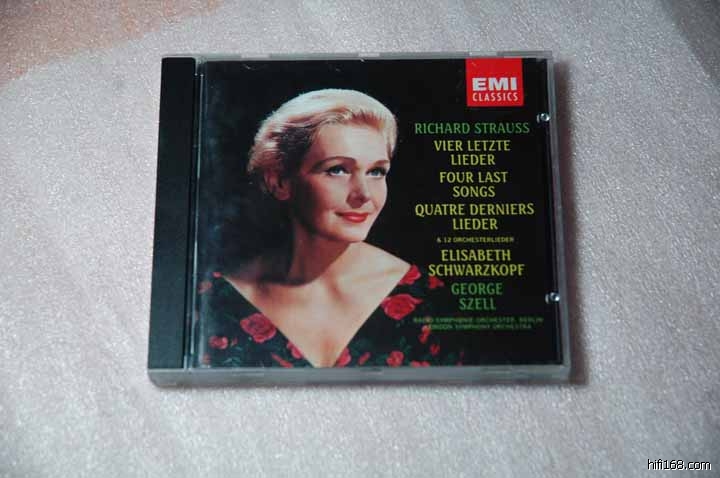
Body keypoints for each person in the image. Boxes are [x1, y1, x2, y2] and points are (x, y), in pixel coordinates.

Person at [195, 89, 461, 368]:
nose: (364, 194)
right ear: (279, 182)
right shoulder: (215, 301)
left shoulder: (427, 299)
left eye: (376, 172)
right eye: (337, 169)